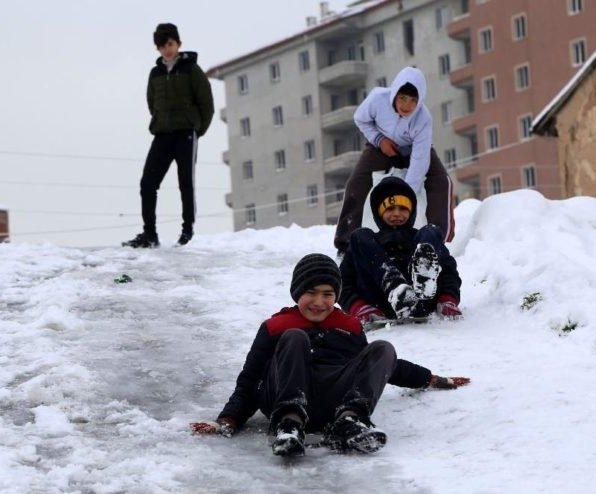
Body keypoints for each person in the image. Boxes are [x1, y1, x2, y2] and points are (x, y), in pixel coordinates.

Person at [190, 254, 469, 457]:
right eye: (311, 293)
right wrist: (228, 420)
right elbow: (249, 379)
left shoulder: (347, 325)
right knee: (295, 337)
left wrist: (430, 378)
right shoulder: (276, 326)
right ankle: (289, 424)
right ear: (297, 293)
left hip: (329, 399)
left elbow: (382, 366)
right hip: (283, 396)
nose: (319, 302)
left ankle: (349, 420)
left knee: (384, 347)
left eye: (327, 294)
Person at [333, 66, 455, 255]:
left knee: (441, 181)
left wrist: (405, 193)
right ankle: (346, 243)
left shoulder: (423, 119)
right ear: (394, 94)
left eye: (413, 100)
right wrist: (380, 141)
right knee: (357, 181)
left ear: (420, 100)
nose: (407, 105)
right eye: (403, 98)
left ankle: (436, 243)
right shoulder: (377, 99)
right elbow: (360, 119)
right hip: (381, 145)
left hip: (414, 149)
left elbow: (420, 161)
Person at [123, 23, 214, 248]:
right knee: (147, 183)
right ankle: (150, 234)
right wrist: (161, 122)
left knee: (186, 184)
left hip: (186, 134)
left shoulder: (191, 70)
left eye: (170, 44)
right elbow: (152, 103)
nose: (167, 49)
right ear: (158, 48)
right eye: (162, 46)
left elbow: (207, 104)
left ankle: (187, 232)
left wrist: (196, 130)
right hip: (162, 134)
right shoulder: (155, 73)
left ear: (178, 44)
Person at [340, 177, 462, 324]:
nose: (397, 214)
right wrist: (358, 307)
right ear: (379, 213)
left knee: (431, 231)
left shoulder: (422, 238)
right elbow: (343, 281)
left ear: (411, 211)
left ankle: (423, 276)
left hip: (424, 299)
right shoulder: (367, 243)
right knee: (359, 235)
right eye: (390, 209)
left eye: (403, 208)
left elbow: (449, 271)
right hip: (381, 303)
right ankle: (394, 286)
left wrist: (448, 299)